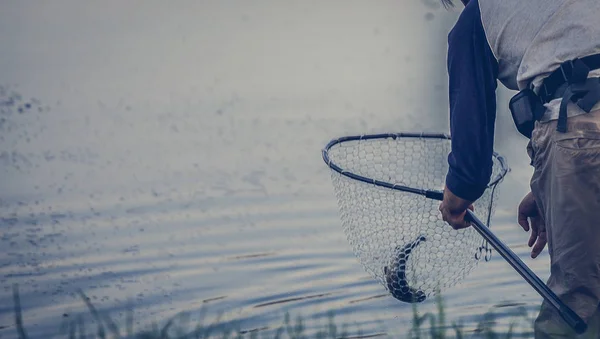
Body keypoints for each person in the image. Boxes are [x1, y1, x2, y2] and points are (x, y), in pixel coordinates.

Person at [436, 0, 600, 337]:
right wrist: (543, 189)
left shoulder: (476, 17)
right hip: (584, 134)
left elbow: (470, 164)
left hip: (579, 133)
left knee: (574, 309)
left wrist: (456, 198)